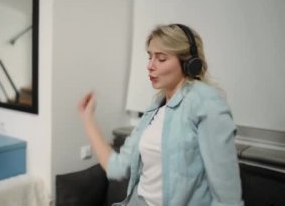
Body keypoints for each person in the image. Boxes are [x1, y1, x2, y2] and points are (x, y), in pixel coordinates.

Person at [78, 24, 244, 206]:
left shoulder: (206, 102)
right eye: (150, 57)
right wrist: (88, 118)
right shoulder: (155, 108)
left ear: (189, 62)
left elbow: (228, 198)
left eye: (161, 58)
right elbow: (117, 167)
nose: (150, 66)